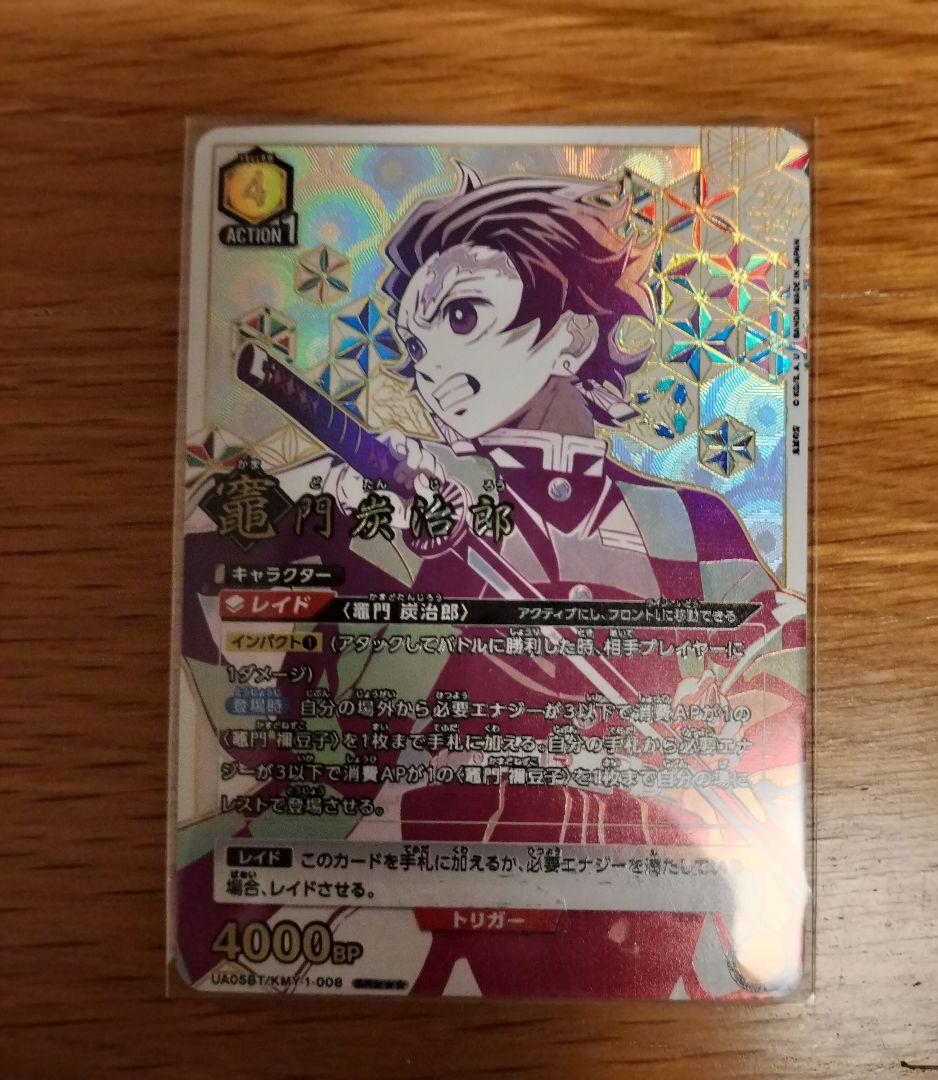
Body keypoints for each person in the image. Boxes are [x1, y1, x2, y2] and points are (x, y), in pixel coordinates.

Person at [179, 166, 807, 998]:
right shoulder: (383, 502)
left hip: (664, 930)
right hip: (420, 925)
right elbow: (228, 620)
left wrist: (713, 718)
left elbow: (786, 658)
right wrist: (327, 511)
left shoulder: (689, 522)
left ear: (571, 339)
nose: (430, 365)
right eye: (414, 346)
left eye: (463, 317)